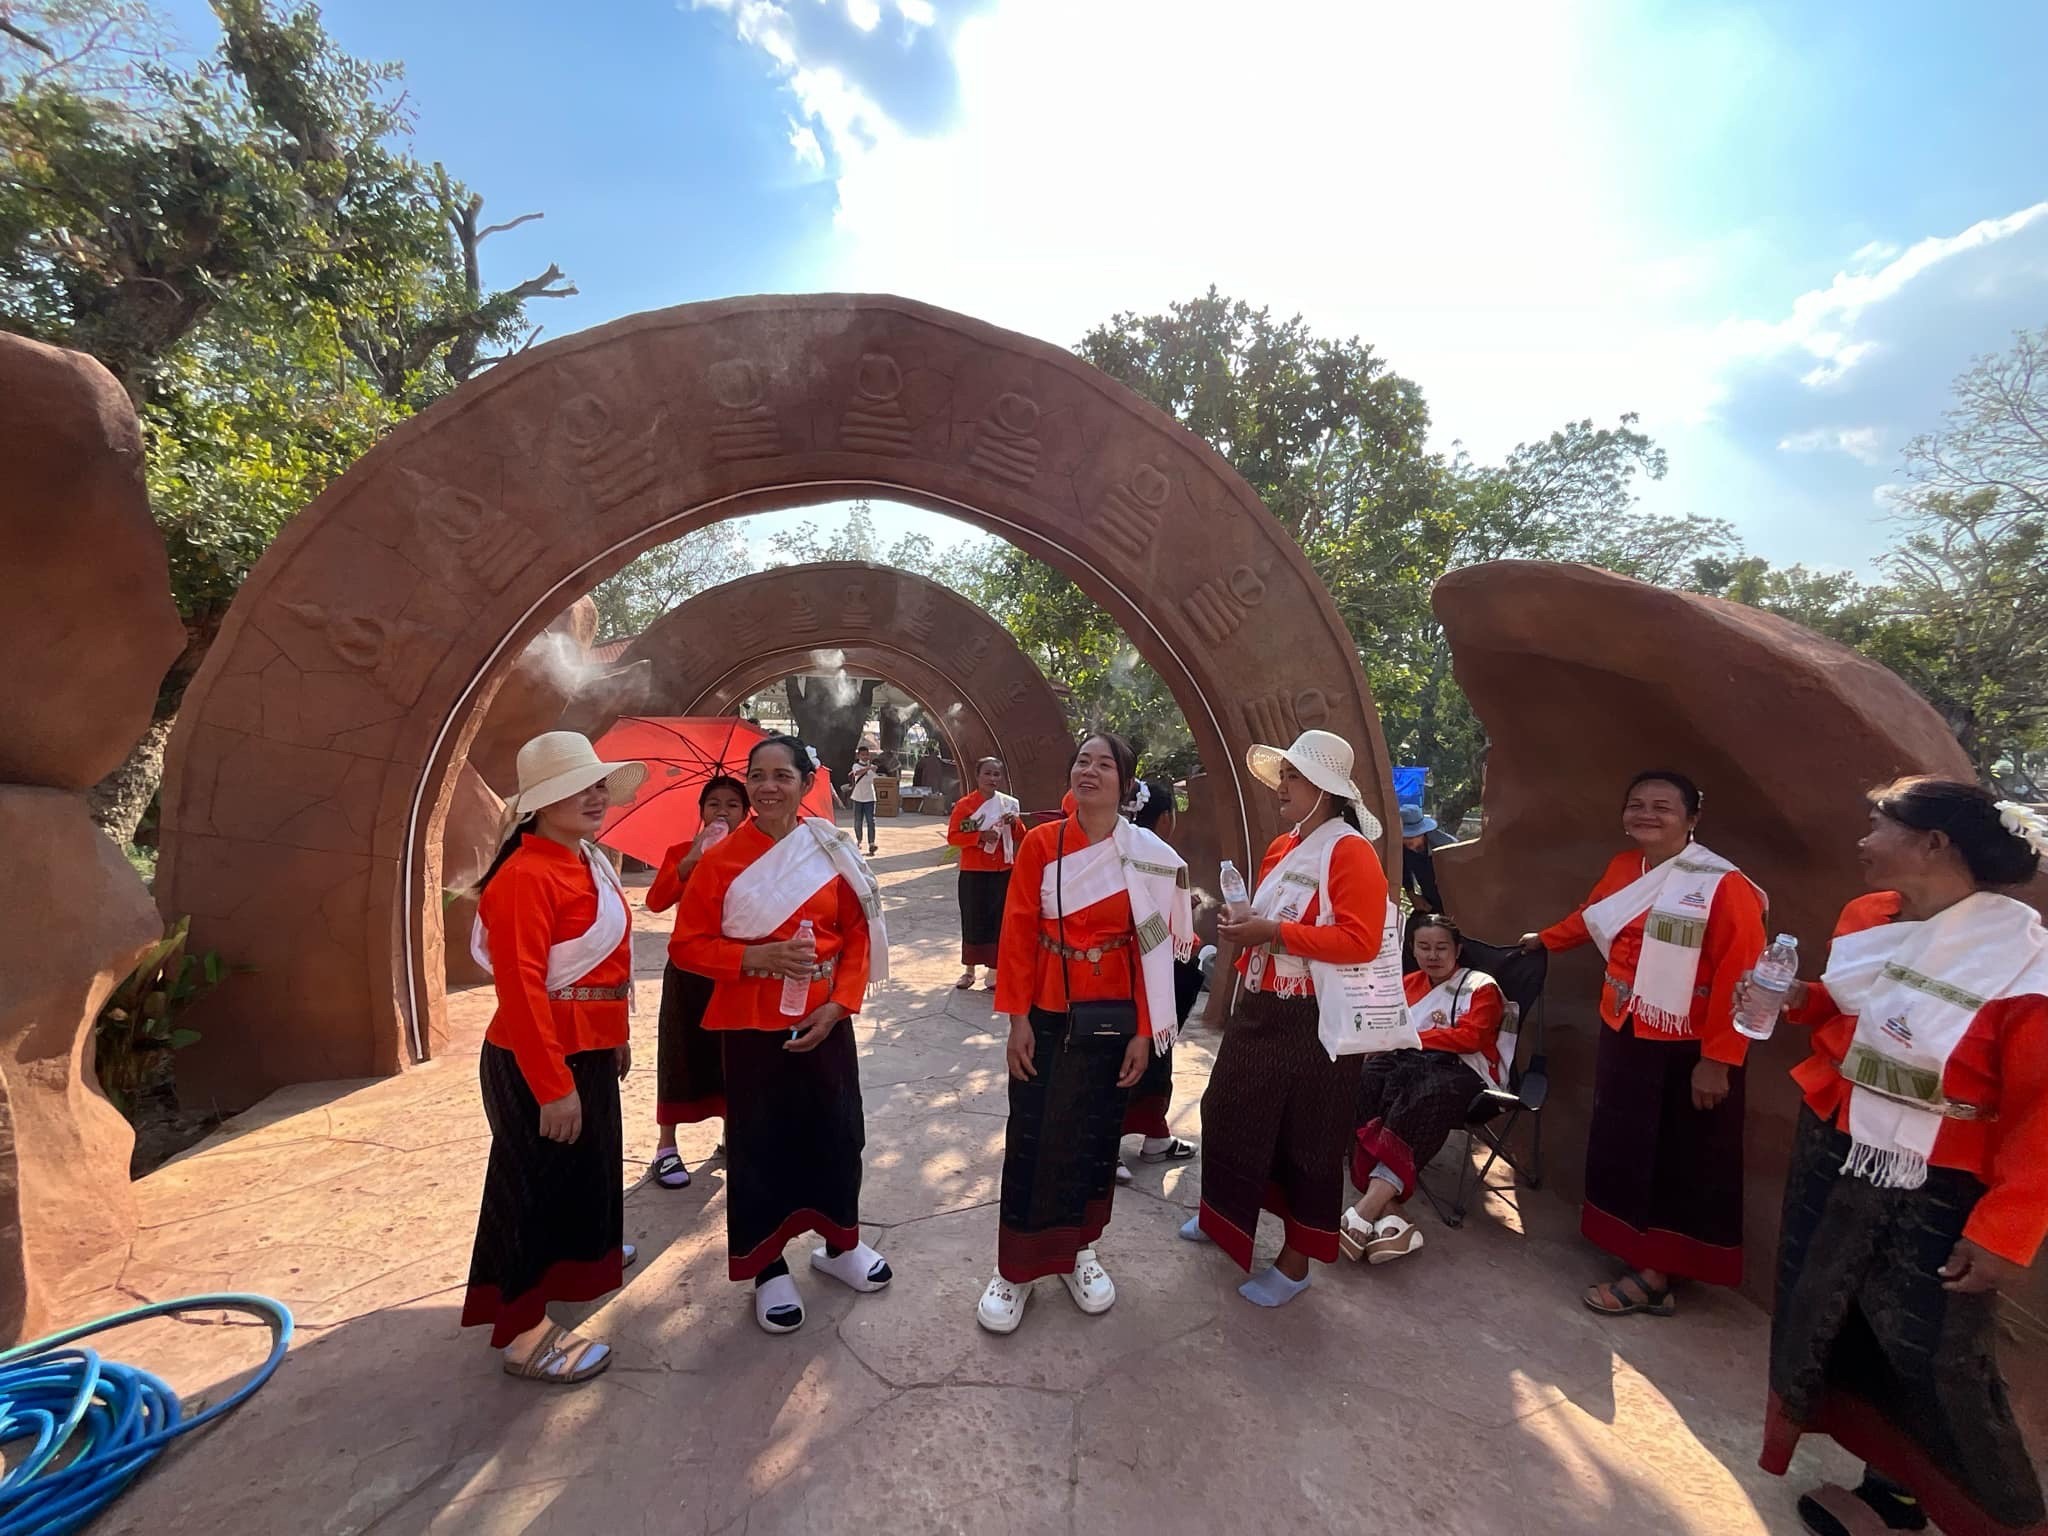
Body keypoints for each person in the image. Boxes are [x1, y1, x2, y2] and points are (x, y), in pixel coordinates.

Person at [1755, 778, 2048, 1536]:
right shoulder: (1871, 917)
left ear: (1933, 844)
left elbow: (2040, 1108)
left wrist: (2007, 1228)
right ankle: (1892, 1493)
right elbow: (1864, 1016)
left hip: (1939, 1180)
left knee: (1935, 1353)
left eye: (1876, 823)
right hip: (1839, 1141)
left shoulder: (2018, 964)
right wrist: (1806, 1001)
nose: (1862, 839)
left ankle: (2004, 1520)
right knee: (1833, 1320)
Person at [1521, 769, 1766, 1317]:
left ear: (1692, 819)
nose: (1646, 815)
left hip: (1689, 1046)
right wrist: (1546, 940)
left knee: (1678, 1157)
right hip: (1626, 1025)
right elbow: (1595, 915)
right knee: (1626, 1142)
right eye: (1636, 804)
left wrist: (1719, 1062)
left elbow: (1740, 975)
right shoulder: (1624, 867)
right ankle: (1632, 1247)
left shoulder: (1724, 884)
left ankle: (1657, 1274)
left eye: (1663, 806)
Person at [670, 733, 893, 1335]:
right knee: (761, 1146)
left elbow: (854, 933)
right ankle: (766, 1264)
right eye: (757, 776)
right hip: (749, 1025)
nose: (767, 787)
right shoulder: (718, 861)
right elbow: (686, 946)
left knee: (838, 1133)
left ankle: (840, 1243)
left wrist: (841, 1004)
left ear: (805, 783)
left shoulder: (829, 850)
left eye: (782, 776)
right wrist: (756, 958)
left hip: (824, 1019)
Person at [977, 733, 1193, 1334]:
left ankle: (1079, 1251)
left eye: (1105, 765)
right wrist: (1016, 1017)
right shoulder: (1042, 844)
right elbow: (1017, 933)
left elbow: (1156, 949)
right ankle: (1015, 1268)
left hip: (1115, 1015)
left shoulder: (1148, 855)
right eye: (1082, 761)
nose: (1089, 771)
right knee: (1034, 1133)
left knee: (1095, 1136)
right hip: (1045, 1012)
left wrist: (1145, 1032)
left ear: (1127, 785)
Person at [459, 731, 647, 1383]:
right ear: (541, 803)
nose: (595, 795)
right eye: (579, 785)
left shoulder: (586, 860)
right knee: (530, 1192)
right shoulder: (524, 876)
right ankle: (523, 1334)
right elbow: (521, 989)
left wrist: (615, 1031)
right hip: (540, 1058)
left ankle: (573, 1263)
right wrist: (551, 1085)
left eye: (600, 783)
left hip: (588, 1050)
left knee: (580, 1175)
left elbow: (603, 964)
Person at [1185, 728, 1393, 1309]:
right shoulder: (1285, 847)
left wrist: (1271, 932)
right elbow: (1275, 920)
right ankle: (1221, 1217)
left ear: (1324, 787)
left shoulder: (1350, 851)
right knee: (1227, 1110)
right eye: (1283, 773)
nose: (1282, 784)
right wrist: (1245, 925)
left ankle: (1296, 1262)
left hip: (1315, 1020)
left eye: (1293, 775)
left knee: (1309, 1140)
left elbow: (1360, 940)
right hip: (1262, 1004)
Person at [1341, 913, 1506, 1264]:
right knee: (1366, 1079)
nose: (1433, 955)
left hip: (1464, 1070)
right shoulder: (1407, 983)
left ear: (1457, 950)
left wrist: (1411, 1038)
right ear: (1413, 949)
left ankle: (1367, 1208)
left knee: (1425, 1094)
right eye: (1424, 947)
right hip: (1409, 1061)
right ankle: (1393, 1217)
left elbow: (1471, 1037)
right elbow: (1383, 1028)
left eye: (1441, 947)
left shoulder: (1481, 987)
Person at [641, 774, 750, 1189]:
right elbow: (655, 901)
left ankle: (731, 1135)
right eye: (714, 804)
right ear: (701, 812)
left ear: (745, 814)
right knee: (679, 1051)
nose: (722, 812)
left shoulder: (755, 857)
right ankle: (665, 1147)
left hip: (733, 970)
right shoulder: (679, 853)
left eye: (732, 805)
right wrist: (690, 862)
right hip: (688, 972)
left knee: (732, 1054)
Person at [1116, 777, 1204, 1181]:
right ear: (1166, 817)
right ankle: (1147, 1139)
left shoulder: (1109, 844)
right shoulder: (1166, 857)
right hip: (1158, 966)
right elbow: (1174, 924)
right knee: (1155, 1047)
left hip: (1113, 966)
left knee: (1115, 1050)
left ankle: (1118, 1143)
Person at [946, 756, 1022, 991]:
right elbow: (954, 836)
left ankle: (994, 972)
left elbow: (1021, 835)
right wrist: (979, 837)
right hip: (973, 872)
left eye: (996, 774)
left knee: (998, 920)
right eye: (987, 773)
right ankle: (969, 971)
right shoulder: (966, 806)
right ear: (978, 776)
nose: (992, 778)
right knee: (972, 919)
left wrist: (1014, 823)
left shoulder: (1008, 804)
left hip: (1002, 870)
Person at [1400, 803, 1447, 976]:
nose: (1409, 842)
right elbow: (1403, 870)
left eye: (1413, 837)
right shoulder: (1404, 849)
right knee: (1410, 934)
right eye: (1406, 838)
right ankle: (1410, 981)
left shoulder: (1445, 847)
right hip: (1429, 903)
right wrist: (1412, 895)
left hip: (1457, 905)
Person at [846, 745, 879, 856]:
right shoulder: (855, 765)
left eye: (866, 754)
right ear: (859, 755)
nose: (865, 757)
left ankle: (871, 843)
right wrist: (868, 768)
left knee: (871, 821)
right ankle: (859, 841)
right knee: (858, 821)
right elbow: (857, 773)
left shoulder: (872, 767)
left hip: (870, 798)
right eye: (863, 754)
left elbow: (875, 778)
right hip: (858, 797)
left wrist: (873, 769)